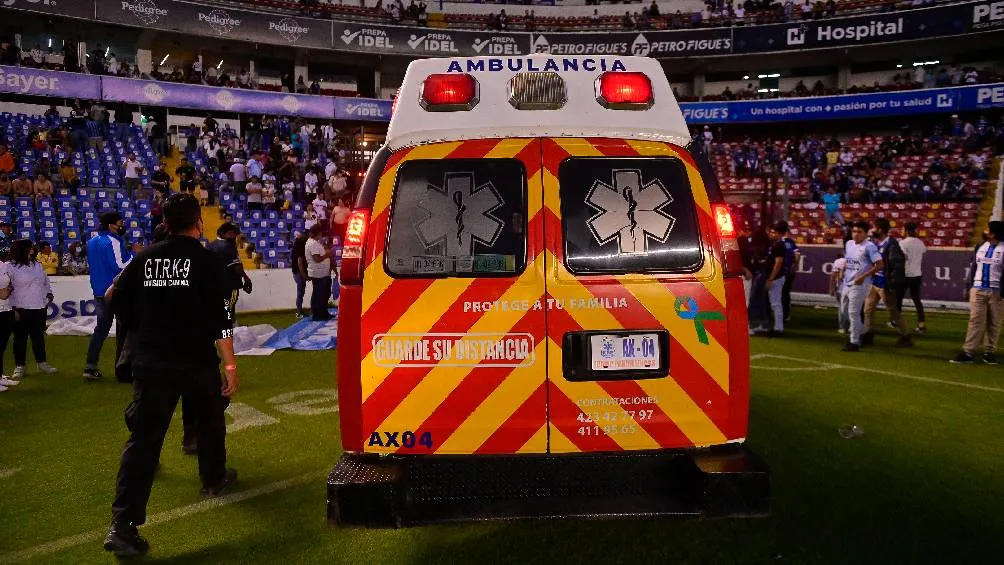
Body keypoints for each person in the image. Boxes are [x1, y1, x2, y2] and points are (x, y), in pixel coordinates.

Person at [104, 194, 238, 558]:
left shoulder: (144, 259)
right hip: (195, 362)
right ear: (198, 222)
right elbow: (221, 322)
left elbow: (112, 295)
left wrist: (141, 323)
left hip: (152, 363)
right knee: (210, 421)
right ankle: (213, 478)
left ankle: (123, 525)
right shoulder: (208, 262)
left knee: (144, 442)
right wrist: (229, 366)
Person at [84, 212, 132, 382]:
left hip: (98, 290)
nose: (122, 225)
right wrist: (135, 254)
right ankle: (124, 368)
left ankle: (90, 366)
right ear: (111, 224)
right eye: (120, 222)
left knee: (101, 329)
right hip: (114, 290)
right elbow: (120, 264)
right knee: (125, 331)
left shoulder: (91, 241)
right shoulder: (113, 241)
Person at [951, 222, 1004, 364]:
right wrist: (969, 286)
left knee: (994, 323)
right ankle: (968, 352)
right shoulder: (980, 246)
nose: (985, 230)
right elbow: (973, 266)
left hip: (997, 291)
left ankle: (990, 352)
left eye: (988, 229)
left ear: (994, 233)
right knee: (975, 321)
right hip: (978, 288)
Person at [8, 239, 57, 379]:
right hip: (20, 307)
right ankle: (20, 366)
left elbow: (45, 281)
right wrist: (13, 307)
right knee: (20, 338)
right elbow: (7, 286)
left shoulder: (37, 265)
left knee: (38, 337)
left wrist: (48, 295)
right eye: (30, 247)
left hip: (39, 306)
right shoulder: (11, 267)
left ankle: (42, 363)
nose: (33, 249)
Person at [864, 218, 913, 348]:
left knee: (893, 312)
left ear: (880, 230)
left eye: (873, 227)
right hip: (875, 282)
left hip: (885, 284)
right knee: (868, 309)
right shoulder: (875, 243)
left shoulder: (891, 245)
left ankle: (906, 336)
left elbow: (896, 266)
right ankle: (868, 334)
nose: (871, 230)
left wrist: (892, 283)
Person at [840, 222, 884, 352]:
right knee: (844, 312)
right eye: (854, 231)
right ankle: (866, 331)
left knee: (853, 312)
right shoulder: (849, 244)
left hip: (860, 283)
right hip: (847, 281)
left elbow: (880, 264)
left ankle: (854, 342)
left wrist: (863, 276)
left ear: (865, 233)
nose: (856, 234)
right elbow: (848, 259)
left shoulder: (869, 246)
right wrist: (843, 269)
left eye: (859, 232)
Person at [206, 222, 252, 324]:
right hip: (230, 283)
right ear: (222, 233)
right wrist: (246, 278)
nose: (234, 236)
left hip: (217, 284)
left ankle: (231, 327)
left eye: (235, 233)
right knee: (230, 307)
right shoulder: (227, 246)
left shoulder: (210, 245)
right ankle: (231, 329)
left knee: (223, 307)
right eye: (231, 233)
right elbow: (236, 266)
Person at [898, 222, 927, 334]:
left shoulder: (903, 243)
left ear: (906, 230)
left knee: (898, 299)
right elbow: (923, 251)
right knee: (917, 300)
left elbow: (903, 258)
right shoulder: (920, 242)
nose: (901, 231)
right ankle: (921, 324)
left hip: (905, 274)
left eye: (902, 229)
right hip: (917, 274)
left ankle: (896, 322)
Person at [759, 224, 787, 336]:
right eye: (771, 232)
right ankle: (776, 327)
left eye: (774, 232)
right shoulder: (776, 244)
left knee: (776, 304)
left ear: (780, 234)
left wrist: (771, 278)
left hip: (776, 277)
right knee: (774, 303)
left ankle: (778, 329)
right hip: (776, 277)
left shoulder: (779, 245)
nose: (772, 234)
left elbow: (778, 263)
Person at [305, 224, 333, 322]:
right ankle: (319, 314)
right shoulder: (312, 244)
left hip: (320, 273)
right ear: (318, 233)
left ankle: (322, 313)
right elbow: (317, 259)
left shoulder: (314, 242)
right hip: (318, 274)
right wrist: (327, 255)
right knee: (320, 294)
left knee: (321, 294)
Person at [0, 240, 18, 391]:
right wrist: (10, 287)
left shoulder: (3, 265)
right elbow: (3, 294)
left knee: (2, 345)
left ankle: (0, 376)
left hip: (5, 309)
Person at [829, 253, 849, 333]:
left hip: (842, 288)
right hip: (854, 288)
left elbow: (833, 277)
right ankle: (852, 327)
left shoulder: (839, 261)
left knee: (842, 308)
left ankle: (843, 327)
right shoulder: (859, 260)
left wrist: (831, 288)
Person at [291, 232, 308, 318]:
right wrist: (304, 274)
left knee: (301, 292)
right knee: (300, 292)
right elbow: (300, 262)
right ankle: (299, 311)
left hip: (296, 271)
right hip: (299, 272)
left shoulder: (296, 246)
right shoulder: (300, 246)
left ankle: (299, 310)